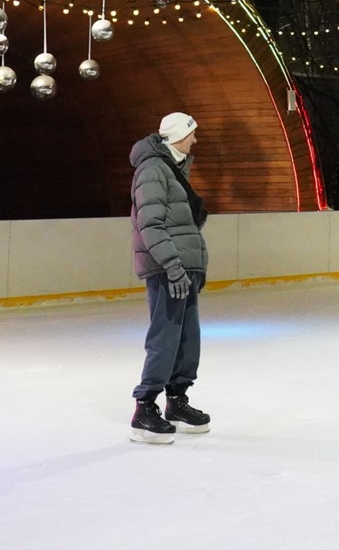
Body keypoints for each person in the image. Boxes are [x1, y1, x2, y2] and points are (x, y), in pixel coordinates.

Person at [128, 112, 210, 444]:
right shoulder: (152, 170)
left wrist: (194, 265)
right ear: (177, 135)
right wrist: (173, 265)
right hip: (167, 269)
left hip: (182, 266)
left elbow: (182, 221)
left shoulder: (174, 169)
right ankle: (145, 407)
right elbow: (150, 225)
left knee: (188, 337)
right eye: (191, 134)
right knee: (166, 335)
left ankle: (177, 400)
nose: (195, 140)